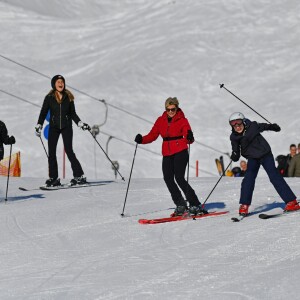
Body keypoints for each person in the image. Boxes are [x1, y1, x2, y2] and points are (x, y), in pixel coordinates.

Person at [134, 97, 206, 216]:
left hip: (180, 151)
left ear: (177, 108)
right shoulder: (160, 120)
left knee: (179, 178)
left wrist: (189, 137)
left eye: (173, 109)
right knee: (167, 178)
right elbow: (152, 135)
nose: (171, 112)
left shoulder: (183, 120)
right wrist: (142, 139)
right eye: (168, 109)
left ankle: (194, 203)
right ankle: (180, 204)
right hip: (167, 152)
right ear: (165, 109)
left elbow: (189, 137)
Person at [229, 112, 299, 216]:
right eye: (233, 124)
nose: (237, 126)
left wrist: (273, 127)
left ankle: (291, 202)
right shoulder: (234, 137)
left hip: (265, 154)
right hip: (252, 158)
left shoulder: (253, 126)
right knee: (248, 178)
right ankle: (244, 205)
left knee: (274, 176)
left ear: (243, 122)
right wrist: (234, 156)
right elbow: (236, 152)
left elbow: (264, 126)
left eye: (239, 123)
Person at [35, 75, 90, 187]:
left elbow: (73, 113)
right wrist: (39, 124)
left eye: (62, 82)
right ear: (54, 84)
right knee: (52, 152)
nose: (61, 84)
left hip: (66, 126)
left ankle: (79, 176)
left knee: (69, 150)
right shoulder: (49, 97)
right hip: (54, 127)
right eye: (58, 82)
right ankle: (54, 178)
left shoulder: (68, 97)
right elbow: (43, 112)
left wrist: (80, 123)